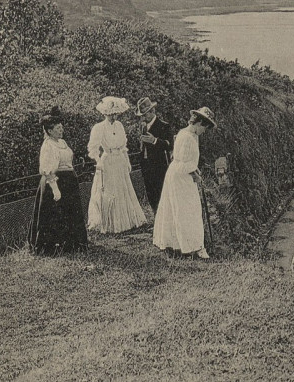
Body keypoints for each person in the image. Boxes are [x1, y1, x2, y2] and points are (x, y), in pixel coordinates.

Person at [152, 106, 217, 260]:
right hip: (180, 177)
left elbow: (187, 160)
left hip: (180, 174)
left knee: (183, 209)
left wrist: (195, 170)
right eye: (205, 128)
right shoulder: (187, 137)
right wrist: (195, 174)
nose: (204, 131)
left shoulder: (189, 134)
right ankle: (192, 246)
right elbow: (182, 162)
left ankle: (184, 245)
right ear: (199, 123)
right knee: (187, 209)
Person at [29, 107, 88, 255]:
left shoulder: (62, 142)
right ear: (49, 131)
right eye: (57, 128)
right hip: (54, 182)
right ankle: (52, 247)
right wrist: (55, 189)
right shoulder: (48, 145)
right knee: (55, 213)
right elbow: (48, 169)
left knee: (70, 212)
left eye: (61, 127)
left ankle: (72, 244)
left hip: (69, 182)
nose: (61, 130)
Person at [87, 96, 147, 233]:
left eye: (115, 114)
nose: (113, 117)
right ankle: (110, 223)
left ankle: (126, 221)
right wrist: (98, 161)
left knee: (123, 188)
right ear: (105, 113)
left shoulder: (119, 125)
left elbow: (123, 146)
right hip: (108, 160)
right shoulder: (99, 128)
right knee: (110, 189)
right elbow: (93, 148)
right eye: (111, 114)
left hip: (120, 160)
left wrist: (127, 161)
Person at [135, 97, 172, 213]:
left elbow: (169, 145)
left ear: (153, 111)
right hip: (146, 167)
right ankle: (156, 217)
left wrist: (154, 140)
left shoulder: (164, 126)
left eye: (145, 114)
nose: (143, 117)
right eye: (142, 115)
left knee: (161, 194)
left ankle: (164, 217)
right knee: (151, 194)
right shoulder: (142, 126)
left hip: (159, 167)